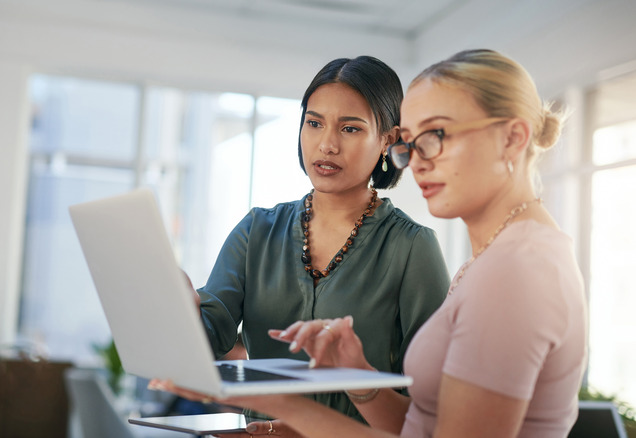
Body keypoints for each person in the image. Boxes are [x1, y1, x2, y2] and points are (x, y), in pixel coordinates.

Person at [159, 49, 588, 438]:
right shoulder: (495, 261)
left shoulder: (512, 268)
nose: (419, 159)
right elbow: (425, 424)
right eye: (415, 142)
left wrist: (289, 412)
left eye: (436, 135)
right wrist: (359, 377)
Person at [191, 56, 450, 429]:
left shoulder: (412, 248)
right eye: (314, 123)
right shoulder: (255, 231)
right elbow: (207, 338)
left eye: (350, 129)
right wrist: (179, 310)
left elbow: (431, 403)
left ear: (387, 141)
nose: (327, 145)